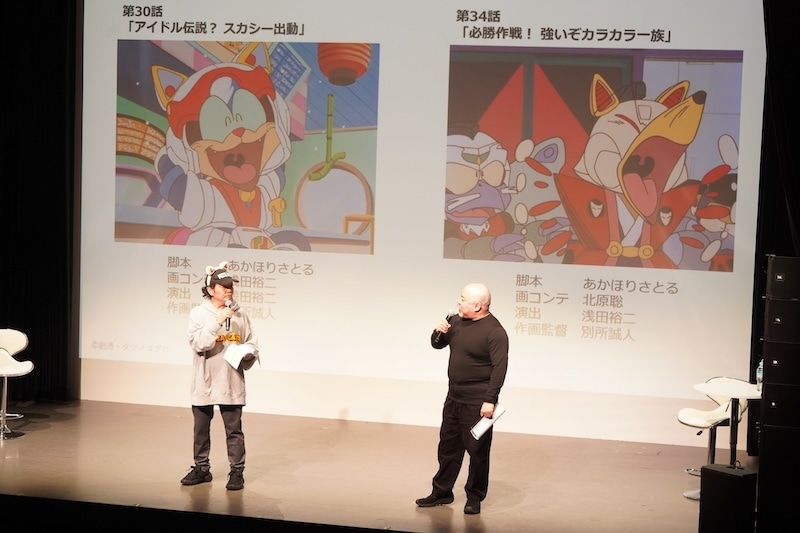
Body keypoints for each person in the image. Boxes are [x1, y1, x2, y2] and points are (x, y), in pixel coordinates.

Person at [416, 282, 509, 515]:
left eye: (463, 299)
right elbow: (437, 345)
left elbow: (499, 368)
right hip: (454, 398)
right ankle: (442, 492)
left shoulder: (495, 331)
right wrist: (438, 332)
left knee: (477, 452)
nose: (458, 302)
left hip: (478, 403)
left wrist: (490, 400)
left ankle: (474, 496)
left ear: (477, 306)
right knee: (447, 447)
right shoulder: (455, 322)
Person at [180, 261, 259, 490]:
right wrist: (217, 322)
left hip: (231, 380)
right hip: (205, 379)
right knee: (201, 430)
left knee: (234, 429)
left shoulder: (240, 314)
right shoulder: (198, 313)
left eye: (230, 286)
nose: (229, 290)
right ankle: (201, 468)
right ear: (210, 289)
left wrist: (248, 354)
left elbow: (251, 342)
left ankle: (237, 471)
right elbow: (198, 343)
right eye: (224, 286)